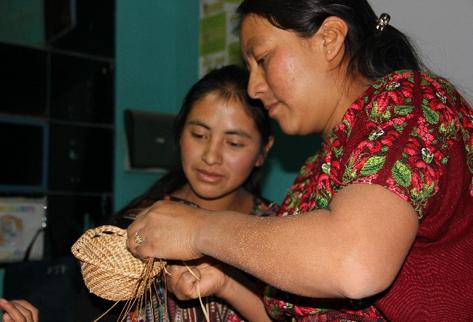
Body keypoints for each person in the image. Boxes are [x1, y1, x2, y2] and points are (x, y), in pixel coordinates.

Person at [126, 0, 473, 321]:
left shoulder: (409, 104)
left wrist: (198, 228)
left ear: (330, 39)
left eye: (261, 60)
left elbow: (354, 264)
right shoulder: (315, 171)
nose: (253, 88)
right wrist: (225, 284)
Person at [115, 64, 278, 321]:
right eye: (199, 135)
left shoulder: (281, 233)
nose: (211, 156)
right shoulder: (139, 223)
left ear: (263, 151)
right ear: (180, 134)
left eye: (234, 143)